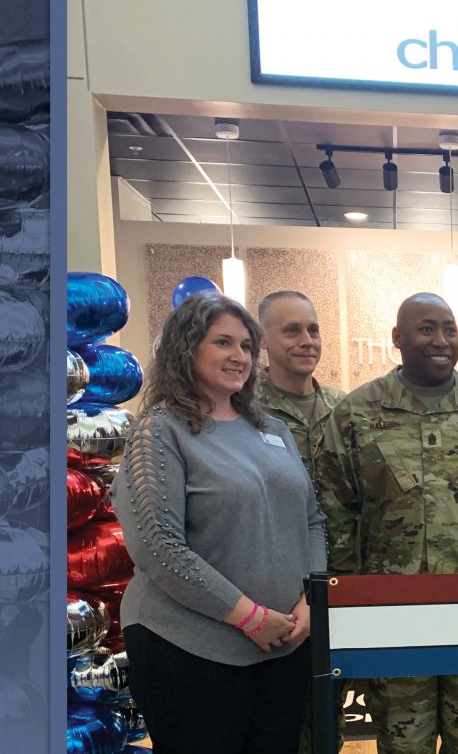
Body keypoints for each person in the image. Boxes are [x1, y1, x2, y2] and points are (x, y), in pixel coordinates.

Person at [315, 292, 458, 754]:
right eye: (426, 328)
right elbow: (334, 516)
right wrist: (348, 610)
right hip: (394, 624)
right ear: (397, 338)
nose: (441, 340)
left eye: (450, 329)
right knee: (403, 745)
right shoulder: (355, 415)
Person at [115, 291, 326, 754]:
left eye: (247, 346)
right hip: (190, 648)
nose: (239, 356)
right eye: (223, 343)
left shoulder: (273, 430)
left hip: (283, 644)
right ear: (187, 348)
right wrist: (247, 616)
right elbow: (158, 545)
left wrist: (312, 597)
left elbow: (311, 520)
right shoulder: (159, 431)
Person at [255, 290, 347, 753]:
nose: (307, 340)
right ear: (263, 341)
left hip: (337, 583)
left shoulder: (345, 408)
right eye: (291, 330)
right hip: (269, 588)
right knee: (276, 725)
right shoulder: (241, 408)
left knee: (328, 716)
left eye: (313, 329)